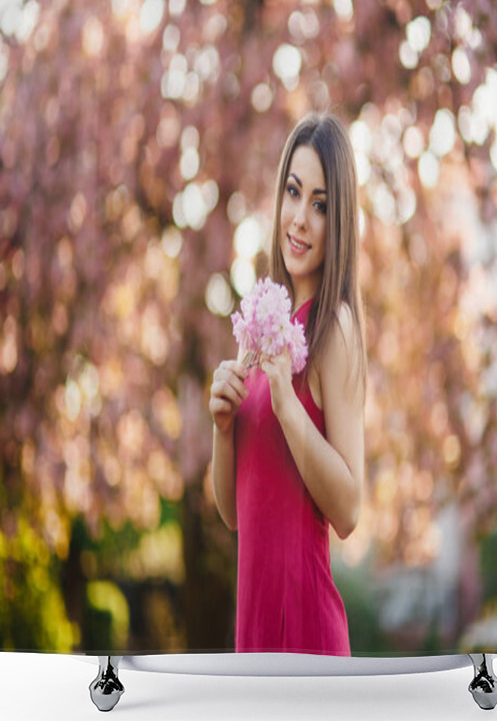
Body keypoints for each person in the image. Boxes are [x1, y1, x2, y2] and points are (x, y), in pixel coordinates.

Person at [208, 113, 366, 656]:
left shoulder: (333, 328)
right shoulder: (261, 324)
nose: (299, 218)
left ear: (338, 218)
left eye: (320, 205)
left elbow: (348, 509)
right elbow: (234, 514)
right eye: (293, 193)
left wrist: (288, 407)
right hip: (253, 634)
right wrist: (222, 426)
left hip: (305, 637)